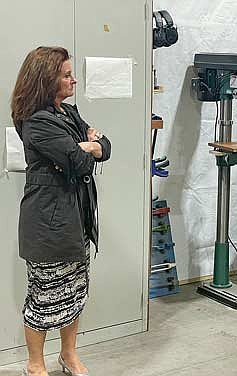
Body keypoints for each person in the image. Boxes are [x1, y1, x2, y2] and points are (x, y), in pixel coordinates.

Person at [11, 46, 111, 376]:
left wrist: (93, 144)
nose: (74, 79)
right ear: (46, 79)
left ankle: (68, 355)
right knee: (43, 297)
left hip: (76, 219)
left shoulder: (67, 113)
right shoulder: (35, 122)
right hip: (47, 223)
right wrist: (88, 146)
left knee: (75, 292)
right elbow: (78, 158)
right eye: (67, 75)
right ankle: (35, 364)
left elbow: (104, 147)